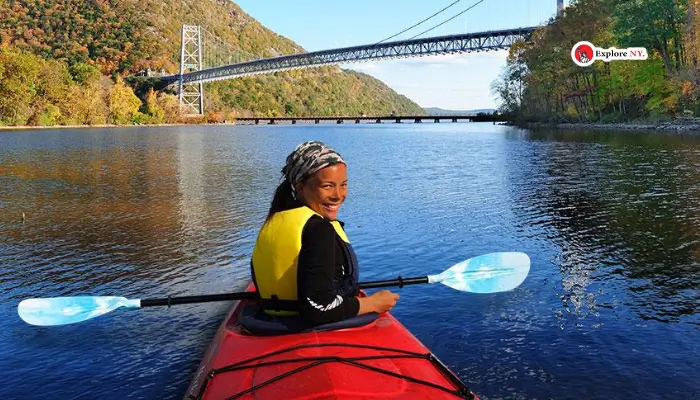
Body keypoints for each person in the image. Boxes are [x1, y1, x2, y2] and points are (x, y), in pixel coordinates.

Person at [250, 141, 399, 328]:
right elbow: (317, 309)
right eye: (328, 186)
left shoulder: (272, 222)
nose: (338, 195)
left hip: (267, 324)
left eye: (343, 185)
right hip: (312, 329)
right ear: (300, 186)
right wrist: (373, 303)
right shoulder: (319, 230)